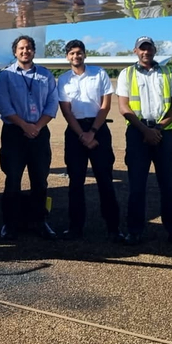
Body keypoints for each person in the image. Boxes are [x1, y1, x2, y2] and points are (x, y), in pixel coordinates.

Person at [116, 36, 172, 248]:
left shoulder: (168, 72)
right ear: (135, 51)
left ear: (154, 50)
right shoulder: (127, 73)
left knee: (168, 186)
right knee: (136, 186)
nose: (146, 52)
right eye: (142, 49)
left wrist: (157, 128)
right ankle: (134, 231)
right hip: (137, 133)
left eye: (149, 48)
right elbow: (124, 107)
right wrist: (145, 130)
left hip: (163, 134)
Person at [56, 39, 122, 242]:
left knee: (105, 180)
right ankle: (75, 227)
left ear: (85, 54)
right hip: (75, 131)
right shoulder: (63, 80)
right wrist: (82, 135)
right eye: (72, 53)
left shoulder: (99, 73)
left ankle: (113, 228)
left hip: (98, 129)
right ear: (67, 57)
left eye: (79, 52)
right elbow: (66, 111)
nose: (76, 56)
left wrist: (92, 132)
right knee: (76, 182)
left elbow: (105, 106)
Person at [0, 34, 59, 240]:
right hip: (14, 132)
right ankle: (10, 224)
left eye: (29, 48)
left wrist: (37, 127)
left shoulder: (46, 75)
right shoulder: (5, 75)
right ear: (15, 52)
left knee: (40, 180)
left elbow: (51, 104)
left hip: (39, 133)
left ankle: (39, 221)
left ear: (33, 51)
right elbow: (3, 106)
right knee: (12, 179)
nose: (25, 51)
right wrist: (24, 125)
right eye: (21, 48)